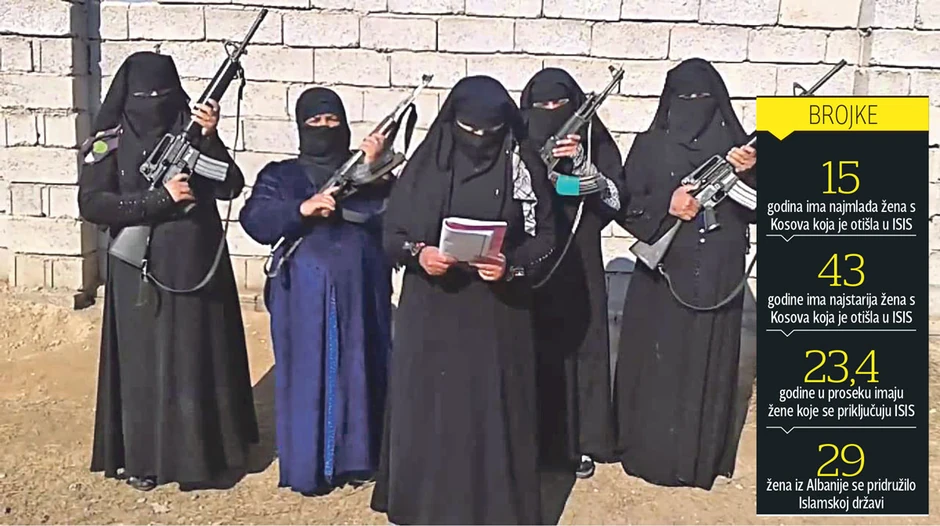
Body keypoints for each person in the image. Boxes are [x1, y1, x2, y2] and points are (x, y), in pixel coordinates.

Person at [369, 75, 557, 524]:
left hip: (497, 313)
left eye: (490, 132)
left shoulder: (521, 165)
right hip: (431, 309)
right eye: (469, 131)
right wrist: (420, 254)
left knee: (490, 411)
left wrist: (510, 266)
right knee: (433, 408)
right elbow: (392, 233)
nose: (479, 140)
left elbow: (547, 238)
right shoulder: (427, 164)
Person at [79, 51, 258, 492]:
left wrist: (210, 137)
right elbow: (93, 203)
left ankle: (206, 457)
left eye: (162, 94)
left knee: (197, 360)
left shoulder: (188, 130)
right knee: (144, 367)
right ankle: (143, 460)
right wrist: (156, 200)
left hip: (195, 265)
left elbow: (230, 185)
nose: (154, 103)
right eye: (144, 96)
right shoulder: (108, 141)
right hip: (138, 270)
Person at [238, 87, 393, 495]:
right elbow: (255, 219)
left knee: (362, 368)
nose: (324, 128)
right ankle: (311, 466)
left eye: (332, 121)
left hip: (362, 291)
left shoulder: (368, 173)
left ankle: (360, 459)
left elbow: (397, 215)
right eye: (315, 121)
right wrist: (301, 210)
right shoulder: (281, 175)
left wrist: (375, 169)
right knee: (307, 375)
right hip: (302, 295)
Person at [612, 58, 757, 490]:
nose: (694, 106)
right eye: (685, 98)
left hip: (719, 275)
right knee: (658, 362)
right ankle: (649, 452)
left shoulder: (737, 147)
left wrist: (751, 172)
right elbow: (624, 203)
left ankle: (697, 458)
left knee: (705, 362)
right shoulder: (649, 145)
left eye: (703, 98)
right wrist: (668, 206)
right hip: (663, 277)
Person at [520, 68, 625, 479]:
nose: (551, 111)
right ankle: (531, 442)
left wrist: (580, 165)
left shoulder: (593, 140)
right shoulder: (517, 142)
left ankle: (581, 441)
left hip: (580, 257)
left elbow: (614, 199)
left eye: (559, 104)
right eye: (542, 105)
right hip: (532, 259)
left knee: (584, 346)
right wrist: (543, 173)